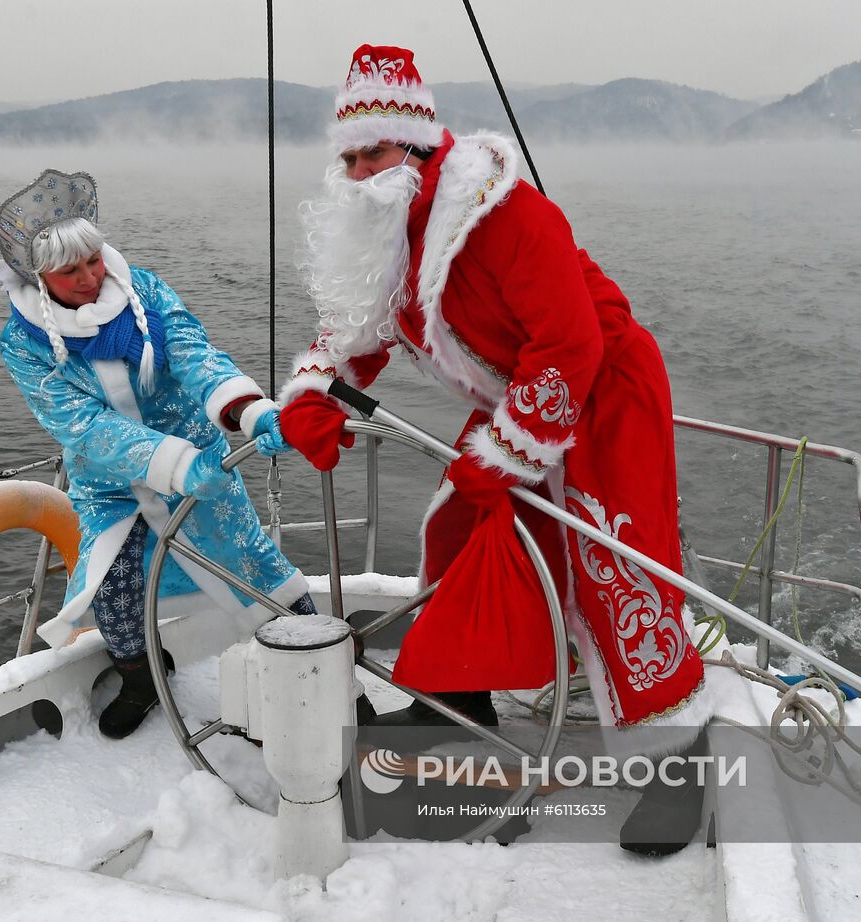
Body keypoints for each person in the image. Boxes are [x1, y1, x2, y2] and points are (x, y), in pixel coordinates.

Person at [278, 46, 712, 854]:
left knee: (617, 571)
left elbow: (572, 342)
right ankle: (459, 700)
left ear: (415, 147)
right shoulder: (394, 224)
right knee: (459, 531)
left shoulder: (507, 214)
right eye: (349, 156)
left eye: (372, 151)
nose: (359, 169)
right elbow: (364, 324)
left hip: (604, 391)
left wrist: (508, 450)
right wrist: (313, 388)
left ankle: (677, 773)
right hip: (529, 395)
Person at [0, 168, 312, 739]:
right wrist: (170, 464)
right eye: (70, 271)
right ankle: (142, 677)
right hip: (110, 488)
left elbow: (195, 355)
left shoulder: (145, 290)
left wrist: (249, 411)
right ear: (37, 277)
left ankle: (317, 669)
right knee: (113, 594)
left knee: (257, 569)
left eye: (92, 259)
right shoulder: (23, 341)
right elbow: (81, 426)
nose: (90, 277)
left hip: (205, 468)